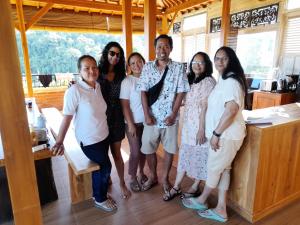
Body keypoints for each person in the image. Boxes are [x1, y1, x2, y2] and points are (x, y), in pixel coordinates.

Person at [182, 46, 248, 223]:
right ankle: (221, 208)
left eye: (224, 58)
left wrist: (216, 133)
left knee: (213, 168)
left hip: (226, 136)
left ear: (231, 60)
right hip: (227, 135)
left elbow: (231, 110)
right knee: (223, 169)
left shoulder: (232, 82)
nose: (219, 61)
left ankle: (201, 200)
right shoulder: (225, 80)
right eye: (217, 58)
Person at [52, 55, 117, 211]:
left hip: (103, 135)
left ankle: (101, 193)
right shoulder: (74, 90)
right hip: (88, 140)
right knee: (104, 167)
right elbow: (67, 118)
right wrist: (59, 141)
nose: (91, 71)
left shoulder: (98, 86)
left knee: (102, 168)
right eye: (86, 68)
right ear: (79, 71)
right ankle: (99, 198)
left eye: (94, 67)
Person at [137, 34, 190, 193]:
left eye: (166, 46)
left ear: (171, 49)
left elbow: (181, 92)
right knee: (148, 149)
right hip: (151, 118)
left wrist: (173, 114)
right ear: (155, 49)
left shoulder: (179, 68)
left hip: (170, 119)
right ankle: (153, 176)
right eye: (159, 46)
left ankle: (166, 178)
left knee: (169, 150)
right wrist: (146, 114)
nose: (162, 50)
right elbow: (143, 92)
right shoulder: (147, 67)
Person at [163, 52, 216, 201]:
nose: (197, 65)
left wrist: (201, 129)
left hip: (201, 126)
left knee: (200, 156)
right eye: (194, 62)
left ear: (206, 65)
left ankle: (195, 186)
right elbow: (184, 99)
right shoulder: (190, 79)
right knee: (186, 155)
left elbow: (206, 107)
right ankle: (177, 186)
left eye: (201, 62)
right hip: (188, 125)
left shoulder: (209, 82)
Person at [98, 42, 131, 198]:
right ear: (106, 53)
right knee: (103, 154)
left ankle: (122, 183)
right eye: (112, 53)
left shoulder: (122, 75)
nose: (115, 57)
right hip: (101, 118)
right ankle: (106, 179)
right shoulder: (97, 73)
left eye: (118, 55)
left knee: (117, 153)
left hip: (117, 117)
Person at [120, 52, 148, 192]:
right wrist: (130, 124)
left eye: (139, 62)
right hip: (133, 123)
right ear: (129, 66)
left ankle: (141, 172)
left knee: (143, 151)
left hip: (147, 123)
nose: (136, 65)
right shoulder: (127, 81)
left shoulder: (148, 78)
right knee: (136, 151)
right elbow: (124, 105)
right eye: (132, 63)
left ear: (144, 62)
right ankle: (132, 177)